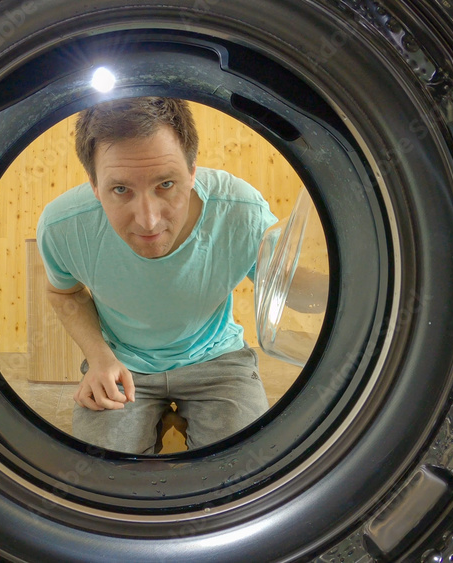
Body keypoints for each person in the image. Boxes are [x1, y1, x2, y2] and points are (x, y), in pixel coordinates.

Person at [36, 97, 279, 454]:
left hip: (217, 360)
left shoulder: (241, 212)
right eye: (121, 190)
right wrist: (99, 358)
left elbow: (286, 284)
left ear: (193, 169)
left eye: (166, 184)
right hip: (122, 362)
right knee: (105, 480)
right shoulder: (63, 226)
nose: (148, 220)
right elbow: (63, 293)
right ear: (93, 184)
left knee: (246, 472)